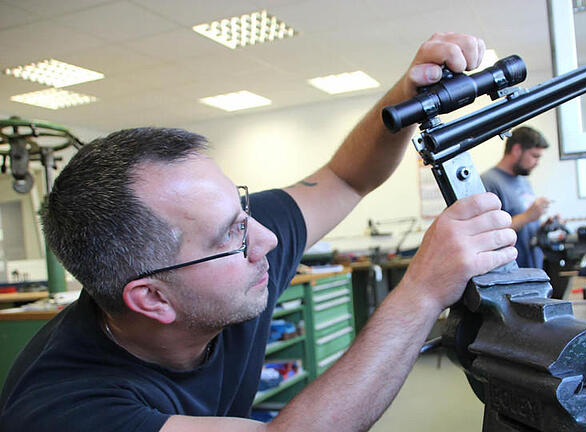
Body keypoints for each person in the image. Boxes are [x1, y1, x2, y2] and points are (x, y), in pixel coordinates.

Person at [0, 33, 518, 432]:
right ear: (154, 298)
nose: (265, 239)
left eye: (243, 209)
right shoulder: (64, 409)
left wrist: (407, 97)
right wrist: (422, 292)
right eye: (231, 235)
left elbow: (343, 177)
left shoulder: (234, 247)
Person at [481, 126, 549, 269]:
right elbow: (488, 235)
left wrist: (545, 226)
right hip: (511, 274)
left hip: (534, 269)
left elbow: (527, 224)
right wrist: (527, 216)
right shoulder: (489, 182)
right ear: (517, 150)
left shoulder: (523, 180)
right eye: (534, 156)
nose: (537, 162)